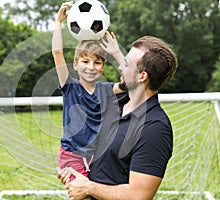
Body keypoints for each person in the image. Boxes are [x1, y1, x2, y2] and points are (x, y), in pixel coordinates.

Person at [58, 32, 178, 200]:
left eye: (126, 64)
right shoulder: (114, 100)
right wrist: (71, 168)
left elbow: (138, 196)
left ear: (142, 76)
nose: (120, 67)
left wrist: (89, 187)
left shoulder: (154, 128)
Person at [52, 1, 124, 183]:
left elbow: (130, 82)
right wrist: (58, 22)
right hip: (72, 157)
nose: (91, 67)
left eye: (97, 62)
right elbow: (57, 53)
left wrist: (116, 53)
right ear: (75, 64)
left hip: (98, 156)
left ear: (102, 67)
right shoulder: (70, 87)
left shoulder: (106, 90)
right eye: (85, 62)